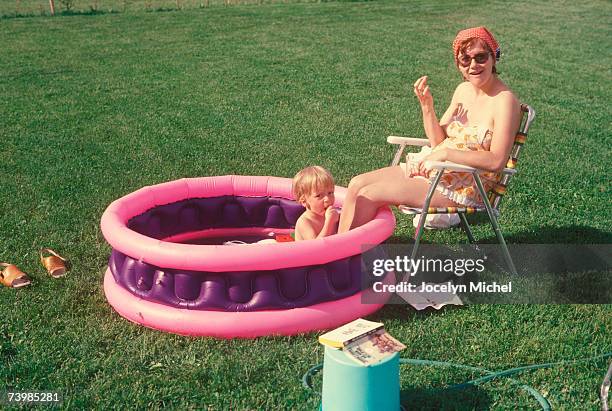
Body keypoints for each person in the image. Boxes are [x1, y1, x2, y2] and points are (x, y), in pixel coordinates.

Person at [338, 26, 521, 233]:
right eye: (465, 60)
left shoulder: (505, 101)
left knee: (369, 194)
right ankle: (331, 249)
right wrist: (427, 107)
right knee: (356, 184)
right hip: (436, 170)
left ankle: (344, 257)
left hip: (464, 186)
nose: (473, 65)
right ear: (458, 64)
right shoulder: (463, 90)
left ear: (493, 58)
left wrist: (445, 154)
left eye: (480, 57)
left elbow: (496, 161)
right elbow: (438, 141)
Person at [292, 166, 340, 241]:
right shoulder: (305, 222)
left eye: (330, 193)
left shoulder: (332, 215)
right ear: (304, 201)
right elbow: (316, 248)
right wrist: (330, 222)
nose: (327, 199)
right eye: (318, 195)